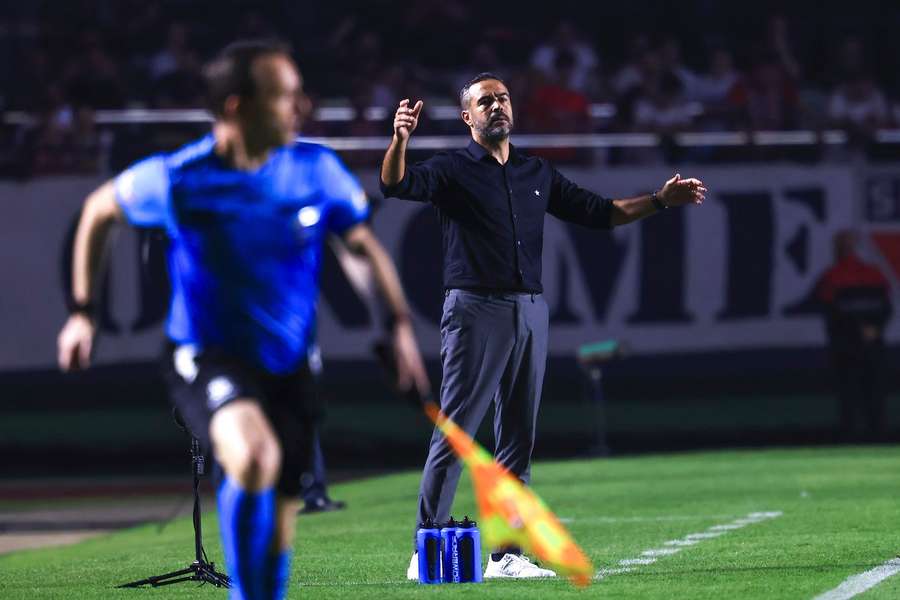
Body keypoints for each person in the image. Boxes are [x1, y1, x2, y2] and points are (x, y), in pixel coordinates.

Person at [57, 39, 429, 600]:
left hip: (289, 361)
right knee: (253, 455)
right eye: (284, 96)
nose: (300, 107)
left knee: (280, 511)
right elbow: (98, 211)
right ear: (238, 107)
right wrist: (83, 312)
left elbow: (357, 247)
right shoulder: (180, 178)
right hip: (206, 354)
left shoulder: (315, 168)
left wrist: (397, 323)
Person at [380, 73, 706, 580]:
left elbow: (600, 213)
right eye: (485, 101)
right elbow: (395, 184)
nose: (496, 106)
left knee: (517, 437)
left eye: (503, 98)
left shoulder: (535, 170)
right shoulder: (452, 168)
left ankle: (506, 553)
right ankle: (427, 546)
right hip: (474, 309)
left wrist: (659, 201)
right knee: (459, 432)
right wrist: (400, 140)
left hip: (530, 310)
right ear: (468, 117)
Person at [816, 231, 892, 441]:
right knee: (868, 394)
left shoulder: (834, 276)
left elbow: (829, 309)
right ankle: (875, 437)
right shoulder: (871, 273)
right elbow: (885, 308)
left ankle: (855, 437)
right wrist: (873, 329)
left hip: (848, 345)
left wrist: (866, 329)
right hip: (865, 342)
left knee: (854, 395)